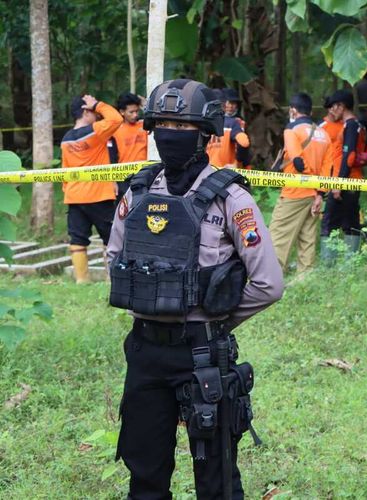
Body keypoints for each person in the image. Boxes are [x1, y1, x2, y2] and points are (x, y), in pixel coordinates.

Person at [106, 78, 284, 499]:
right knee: (144, 475)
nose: (171, 134)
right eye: (163, 123)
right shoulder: (138, 191)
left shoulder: (230, 199)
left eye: (182, 126)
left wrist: (215, 318)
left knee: (216, 480)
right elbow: (115, 262)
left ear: (205, 134)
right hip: (145, 352)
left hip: (203, 355)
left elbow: (268, 283)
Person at [61, 94, 123, 283]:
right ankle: (112, 278)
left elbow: (65, 169)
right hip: (98, 195)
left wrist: (67, 190)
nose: (97, 115)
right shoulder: (95, 132)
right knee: (110, 238)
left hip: (74, 195)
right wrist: (98, 104)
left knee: (77, 239)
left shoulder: (66, 140)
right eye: (93, 112)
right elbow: (116, 119)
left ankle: (82, 280)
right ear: (86, 111)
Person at [269, 93, 332, 275]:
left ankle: (271, 278)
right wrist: (320, 193)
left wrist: (307, 178)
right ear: (310, 111)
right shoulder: (324, 134)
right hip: (314, 195)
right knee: (307, 239)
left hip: (294, 192)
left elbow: (298, 162)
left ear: (293, 111)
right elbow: (328, 169)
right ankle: (305, 278)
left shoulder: (291, 130)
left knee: (278, 236)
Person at [321, 89, 367, 253]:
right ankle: (348, 260)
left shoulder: (351, 125)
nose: (332, 110)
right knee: (350, 220)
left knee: (331, 221)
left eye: (334, 106)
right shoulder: (352, 125)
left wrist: (339, 183)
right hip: (349, 179)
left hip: (346, 180)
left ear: (342, 106)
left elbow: (349, 156)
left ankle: (330, 262)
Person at [109, 92, 148, 200]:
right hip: (124, 177)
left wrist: (145, 104)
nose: (135, 115)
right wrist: (112, 181)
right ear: (122, 112)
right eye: (131, 112)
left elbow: (157, 117)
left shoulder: (144, 125)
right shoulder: (115, 130)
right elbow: (111, 158)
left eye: (136, 111)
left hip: (144, 174)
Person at [206, 87, 251, 169]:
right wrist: (238, 163)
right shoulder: (235, 123)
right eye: (228, 102)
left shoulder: (204, 123)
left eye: (233, 103)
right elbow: (244, 143)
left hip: (207, 171)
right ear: (223, 104)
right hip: (227, 172)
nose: (230, 106)